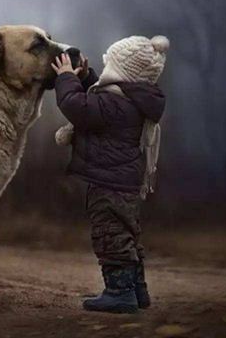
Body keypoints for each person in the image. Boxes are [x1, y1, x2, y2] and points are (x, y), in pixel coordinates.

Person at [51, 35, 169, 313]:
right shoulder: (129, 100)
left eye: (109, 66)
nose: (104, 72)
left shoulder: (115, 105)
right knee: (127, 234)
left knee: (110, 235)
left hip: (108, 183)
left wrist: (66, 79)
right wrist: (85, 78)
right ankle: (136, 290)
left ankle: (119, 293)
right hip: (123, 181)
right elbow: (97, 99)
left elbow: (76, 106)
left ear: (122, 72)